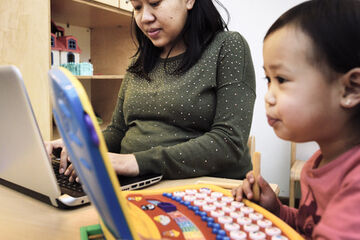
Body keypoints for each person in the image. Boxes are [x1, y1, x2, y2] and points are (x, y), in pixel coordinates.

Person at [46, 0, 256, 183]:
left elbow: (229, 142)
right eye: (137, 7)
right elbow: (118, 131)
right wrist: (82, 143)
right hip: (136, 182)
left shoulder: (227, 47)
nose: (144, 17)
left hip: (202, 189)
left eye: (155, 3)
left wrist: (136, 162)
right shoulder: (139, 62)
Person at [232, 0, 360, 238]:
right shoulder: (317, 162)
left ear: (350, 90)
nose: (269, 97)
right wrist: (277, 211)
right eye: (268, 79)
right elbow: (308, 226)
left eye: (281, 79)